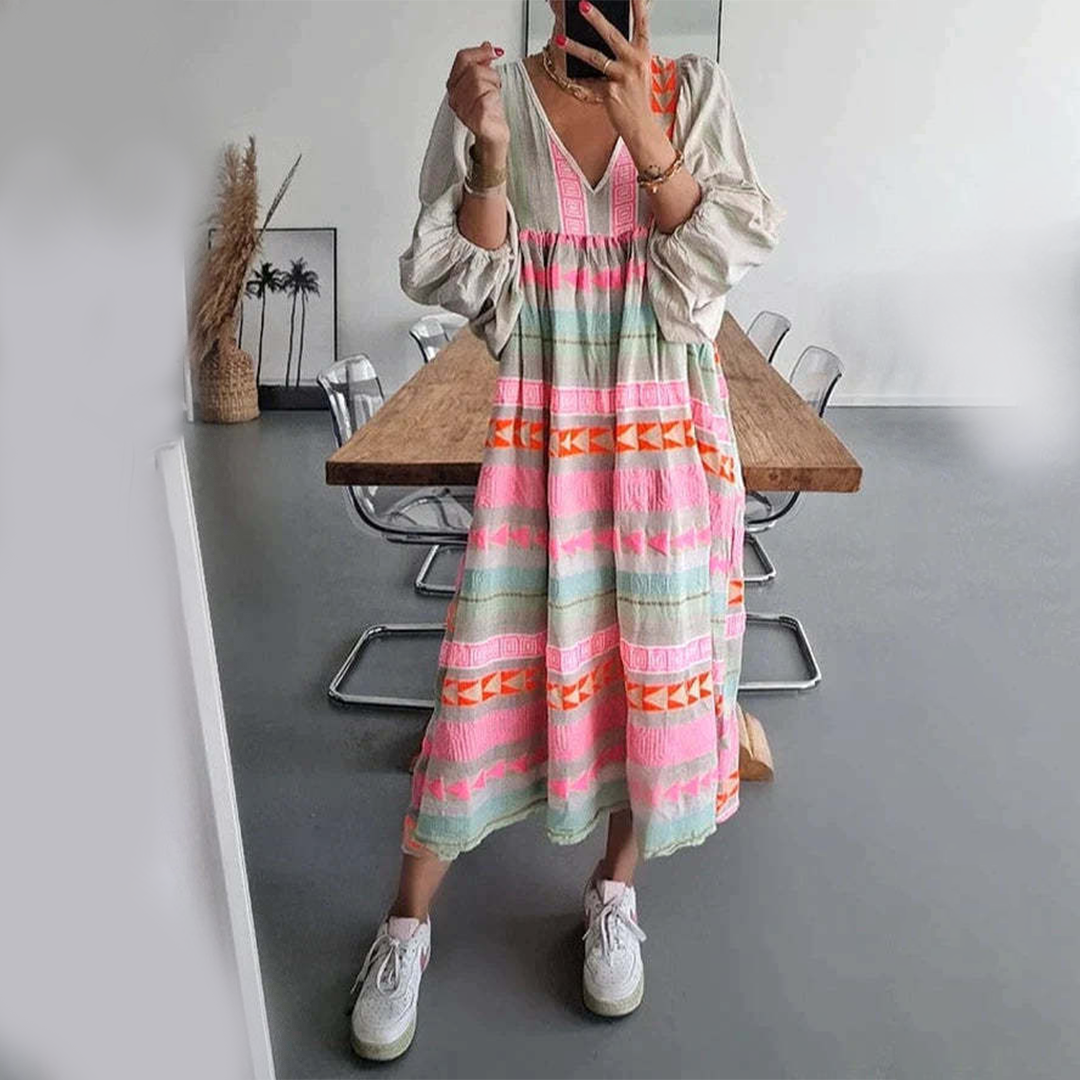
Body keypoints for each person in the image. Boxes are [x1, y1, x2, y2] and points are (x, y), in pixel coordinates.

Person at [349, 0, 782, 1060]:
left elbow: (722, 256)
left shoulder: (693, 93)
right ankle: (404, 923)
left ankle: (615, 890)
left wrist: (649, 139)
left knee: (648, 673)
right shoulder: (490, 93)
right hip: (540, 439)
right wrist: (490, 159)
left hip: (665, 441)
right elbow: (466, 281)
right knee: (481, 679)